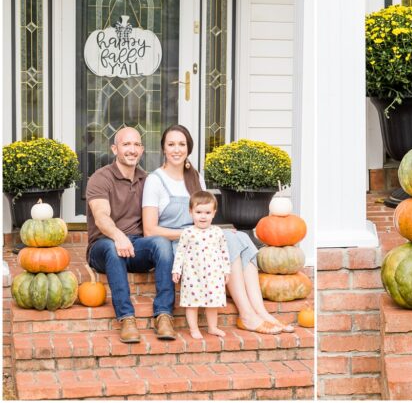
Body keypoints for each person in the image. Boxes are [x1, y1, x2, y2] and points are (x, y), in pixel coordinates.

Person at [142, 125, 292, 334]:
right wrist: (194, 234)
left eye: (182, 144)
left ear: (189, 148)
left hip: (203, 237)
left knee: (238, 237)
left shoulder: (195, 177)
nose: (177, 149)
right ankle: (247, 315)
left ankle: (261, 312)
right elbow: (149, 230)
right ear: (164, 149)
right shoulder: (155, 180)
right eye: (171, 144)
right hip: (179, 243)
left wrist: (214, 231)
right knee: (227, 241)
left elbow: (203, 214)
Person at [86, 127, 177, 343]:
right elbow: (101, 216)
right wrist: (118, 236)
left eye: (137, 145)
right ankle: (126, 318)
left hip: (135, 247)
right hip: (102, 245)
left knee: (161, 244)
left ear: (142, 150)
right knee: (112, 248)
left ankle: (164, 315)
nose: (132, 150)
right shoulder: (101, 178)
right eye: (126, 144)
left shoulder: (148, 180)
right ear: (115, 148)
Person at [172, 191, 231, 339]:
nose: (203, 216)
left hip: (213, 275)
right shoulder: (187, 232)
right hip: (193, 274)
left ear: (214, 213)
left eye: (207, 212)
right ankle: (193, 328)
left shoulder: (218, 232)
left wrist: (226, 271)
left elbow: (224, 252)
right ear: (191, 212)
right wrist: (176, 270)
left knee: (212, 303)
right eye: (198, 212)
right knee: (192, 303)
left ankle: (212, 327)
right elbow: (180, 252)